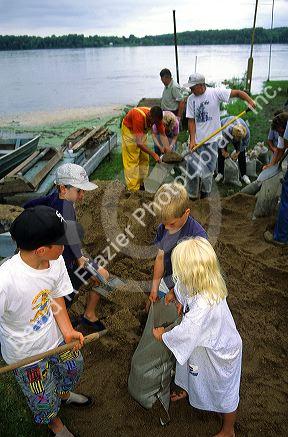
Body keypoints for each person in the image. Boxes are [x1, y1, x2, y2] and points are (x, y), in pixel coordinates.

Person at [0, 206, 92, 437]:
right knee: (42, 397)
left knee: (73, 366)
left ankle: (62, 394)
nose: (65, 247)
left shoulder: (56, 261)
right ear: (41, 249)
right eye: (60, 243)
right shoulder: (6, 281)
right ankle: (56, 426)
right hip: (25, 355)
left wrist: (67, 330)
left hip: (54, 337)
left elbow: (55, 295)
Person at [153, 237, 242, 437]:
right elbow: (184, 287)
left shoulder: (203, 306)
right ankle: (188, 388)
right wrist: (175, 293)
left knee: (224, 390)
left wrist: (164, 335)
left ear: (191, 273)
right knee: (193, 368)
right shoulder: (206, 280)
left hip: (221, 353)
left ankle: (228, 429)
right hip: (204, 344)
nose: (180, 277)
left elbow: (186, 333)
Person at [24, 163, 109, 331]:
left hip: (61, 259)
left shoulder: (54, 199)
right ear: (63, 188)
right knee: (101, 276)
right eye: (79, 190)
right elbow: (71, 236)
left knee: (99, 274)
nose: (82, 195)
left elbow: (29, 205)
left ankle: (87, 315)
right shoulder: (67, 206)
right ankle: (78, 320)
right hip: (66, 264)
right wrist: (80, 259)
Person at [184, 73, 255, 199]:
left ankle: (205, 195)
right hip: (196, 141)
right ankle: (191, 195)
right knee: (192, 169)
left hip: (212, 141)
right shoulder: (191, 99)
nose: (190, 90)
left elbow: (238, 93)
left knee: (208, 171)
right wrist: (192, 140)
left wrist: (250, 101)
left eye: (192, 87)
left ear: (201, 85)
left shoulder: (215, 93)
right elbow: (191, 121)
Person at [148, 182, 207, 303]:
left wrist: (177, 292)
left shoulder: (198, 238)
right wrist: (154, 288)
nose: (167, 228)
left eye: (171, 224)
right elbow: (160, 258)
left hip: (192, 286)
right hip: (170, 279)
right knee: (153, 304)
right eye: (164, 224)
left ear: (186, 213)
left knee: (182, 313)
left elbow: (198, 276)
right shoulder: (163, 228)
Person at [121, 106, 170, 191]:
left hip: (141, 132)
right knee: (132, 160)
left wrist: (167, 149)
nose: (156, 124)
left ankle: (141, 183)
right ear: (150, 116)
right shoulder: (138, 117)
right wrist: (154, 154)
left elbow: (163, 135)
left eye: (157, 122)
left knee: (144, 158)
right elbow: (139, 143)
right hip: (129, 131)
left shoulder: (157, 118)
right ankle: (133, 189)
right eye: (154, 122)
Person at [264, 112, 288, 246]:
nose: (278, 135)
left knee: (286, 198)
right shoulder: (283, 133)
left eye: (279, 132)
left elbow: (283, 146)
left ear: (284, 127)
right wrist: (271, 165)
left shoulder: (287, 129)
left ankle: (281, 237)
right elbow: (279, 150)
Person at [215, 116, 251, 185]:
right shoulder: (227, 130)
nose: (237, 141)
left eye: (239, 139)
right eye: (236, 139)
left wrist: (238, 152)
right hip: (223, 127)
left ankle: (244, 175)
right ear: (233, 135)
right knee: (221, 152)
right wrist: (223, 151)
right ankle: (220, 173)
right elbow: (220, 142)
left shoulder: (246, 133)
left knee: (242, 153)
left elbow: (244, 144)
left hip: (236, 133)